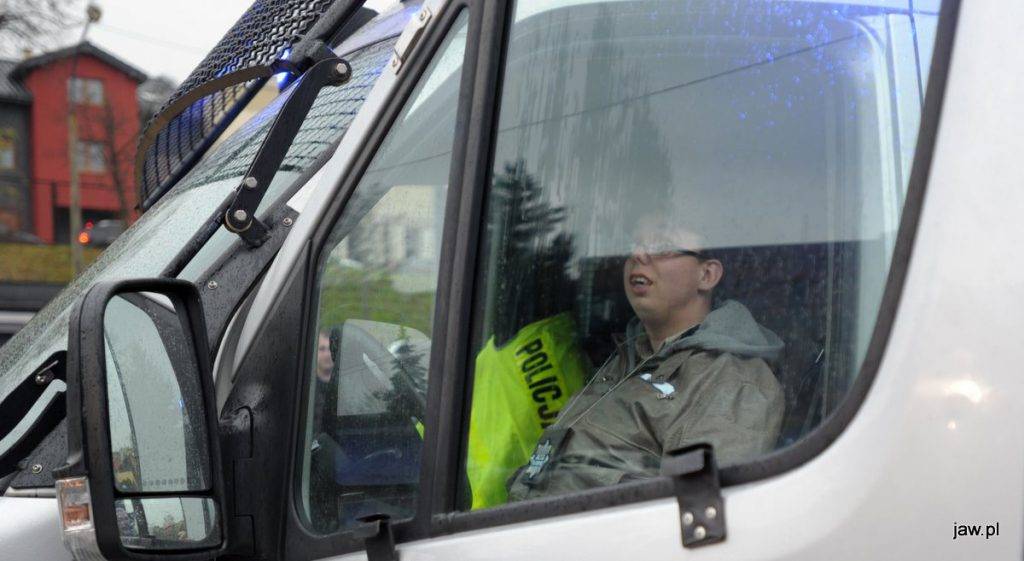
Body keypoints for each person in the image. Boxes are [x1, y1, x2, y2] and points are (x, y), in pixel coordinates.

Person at [507, 218, 785, 501]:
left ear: (707, 275)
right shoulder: (625, 357)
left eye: (662, 246)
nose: (638, 255)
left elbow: (690, 508)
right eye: (634, 244)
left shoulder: (731, 380)